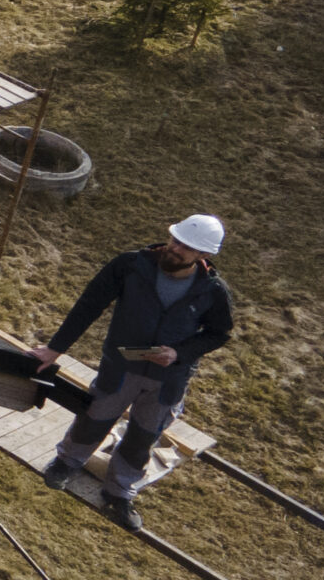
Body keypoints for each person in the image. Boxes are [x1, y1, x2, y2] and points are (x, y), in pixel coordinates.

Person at [29, 215, 234, 532]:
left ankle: (120, 492)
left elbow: (219, 333)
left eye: (186, 247)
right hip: (121, 366)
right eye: (176, 240)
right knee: (95, 415)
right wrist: (55, 349)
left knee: (143, 435)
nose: (176, 248)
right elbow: (89, 304)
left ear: (203, 256)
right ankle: (66, 463)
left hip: (167, 379)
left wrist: (181, 353)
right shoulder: (130, 266)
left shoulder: (212, 291)